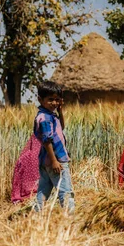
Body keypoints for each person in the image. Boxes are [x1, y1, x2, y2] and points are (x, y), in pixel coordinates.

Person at [33, 80, 75, 213]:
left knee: (43, 191)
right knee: (66, 191)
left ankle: (36, 216)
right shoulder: (45, 118)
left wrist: (60, 111)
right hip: (55, 160)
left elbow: (61, 127)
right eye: (50, 99)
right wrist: (54, 161)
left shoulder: (50, 115)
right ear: (40, 99)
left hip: (46, 161)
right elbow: (47, 140)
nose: (54, 103)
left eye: (57, 100)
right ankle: (70, 218)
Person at [10, 134, 42, 204]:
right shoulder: (44, 156)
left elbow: (17, 178)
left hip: (24, 196)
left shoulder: (24, 157)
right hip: (41, 194)